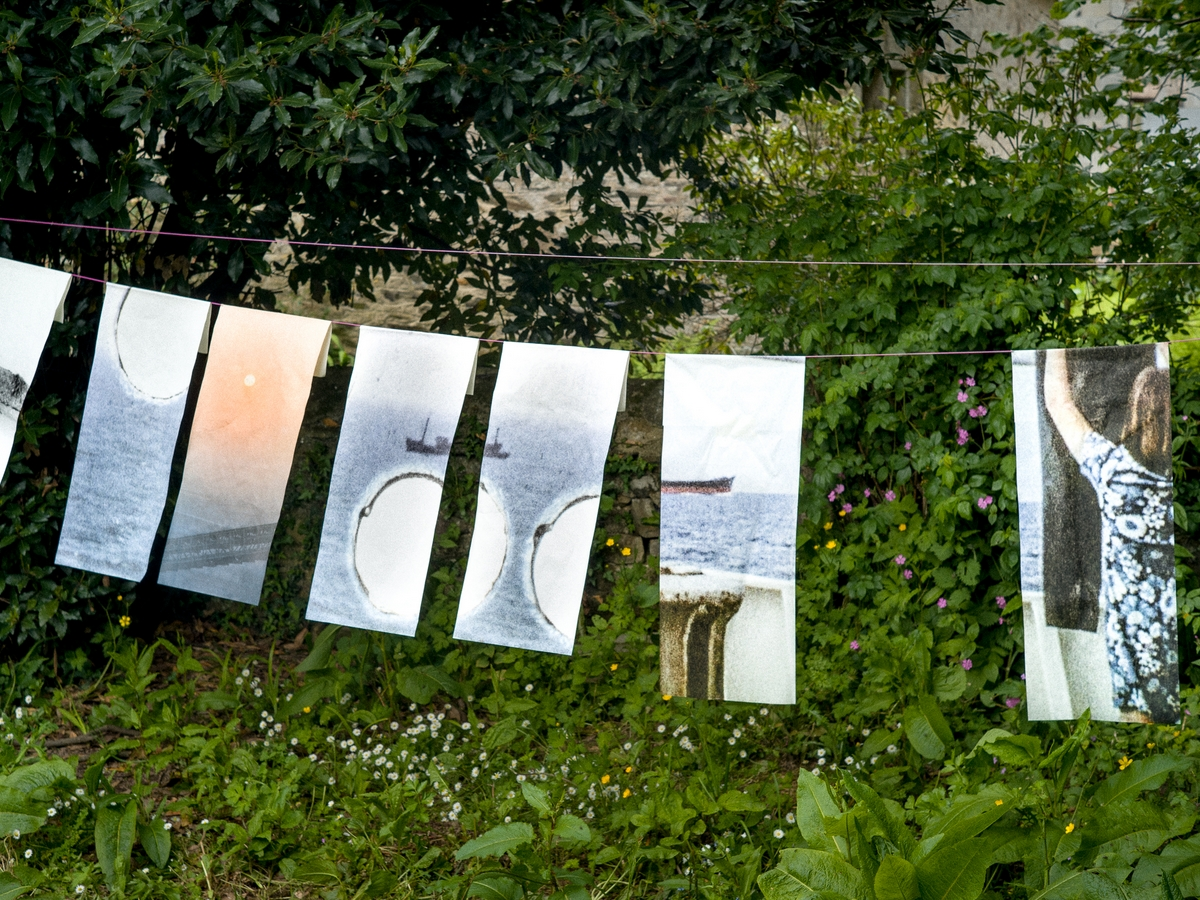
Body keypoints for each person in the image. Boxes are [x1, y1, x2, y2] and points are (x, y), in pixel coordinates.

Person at [1042, 347, 1178, 723]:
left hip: (1138, 676)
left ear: (1136, 414)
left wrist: (1053, 345)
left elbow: (1059, 402)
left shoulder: (1118, 475)